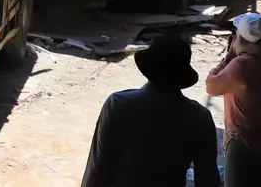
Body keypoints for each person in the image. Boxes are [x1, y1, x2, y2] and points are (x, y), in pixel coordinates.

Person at [81, 33, 220, 187]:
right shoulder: (199, 118)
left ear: (149, 68)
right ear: (182, 75)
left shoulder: (118, 105)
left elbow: (97, 168)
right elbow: (208, 180)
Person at [205, 12, 261, 187]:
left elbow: (211, 86)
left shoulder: (242, 65)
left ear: (243, 38)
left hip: (243, 144)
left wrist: (229, 56)